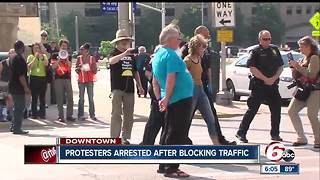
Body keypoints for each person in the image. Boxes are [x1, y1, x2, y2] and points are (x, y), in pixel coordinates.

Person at [181, 25, 236, 145]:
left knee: (211, 116)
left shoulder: (205, 51)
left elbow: (208, 68)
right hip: (191, 90)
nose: (208, 39)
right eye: (205, 36)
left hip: (203, 86)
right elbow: (181, 72)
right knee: (186, 117)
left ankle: (219, 142)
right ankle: (182, 140)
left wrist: (210, 85)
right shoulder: (186, 51)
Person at [152, 25, 193, 178]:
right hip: (179, 98)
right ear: (169, 40)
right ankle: (172, 168)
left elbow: (155, 81)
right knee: (177, 133)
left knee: (168, 131)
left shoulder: (158, 55)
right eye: (178, 38)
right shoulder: (171, 55)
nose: (180, 41)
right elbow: (170, 79)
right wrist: (167, 97)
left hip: (171, 98)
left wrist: (160, 98)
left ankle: (163, 165)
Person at [235, 30, 284, 143]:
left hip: (273, 85)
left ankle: (275, 134)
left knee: (276, 109)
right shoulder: (255, 51)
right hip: (259, 85)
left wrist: (273, 78)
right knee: (252, 110)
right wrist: (265, 79)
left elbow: (280, 66)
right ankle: (241, 132)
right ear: (260, 40)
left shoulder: (274, 49)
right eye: (264, 39)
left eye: (269, 39)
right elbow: (252, 68)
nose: (267, 41)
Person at [108, 29, 144, 145]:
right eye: (123, 42)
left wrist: (140, 86)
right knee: (116, 113)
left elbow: (135, 72)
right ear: (117, 43)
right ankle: (114, 138)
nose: (125, 44)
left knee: (129, 114)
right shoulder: (114, 52)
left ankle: (125, 137)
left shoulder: (132, 56)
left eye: (127, 42)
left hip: (129, 88)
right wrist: (123, 54)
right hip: (117, 88)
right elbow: (111, 61)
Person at [184, 34, 220, 145]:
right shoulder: (187, 60)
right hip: (191, 90)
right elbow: (181, 76)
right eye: (202, 47)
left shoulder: (199, 59)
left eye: (205, 47)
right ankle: (181, 142)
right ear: (196, 47)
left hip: (201, 90)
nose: (204, 49)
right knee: (187, 118)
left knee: (210, 118)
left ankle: (216, 145)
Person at [288, 36, 320, 148]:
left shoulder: (315, 58)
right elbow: (297, 76)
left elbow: (311, 75)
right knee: (291, 111)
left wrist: (298, 66)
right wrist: (293, 68)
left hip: (315, 90)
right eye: (299, 46)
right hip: (302, 90)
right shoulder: (302, 59)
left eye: (301, 46)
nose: (299, 49)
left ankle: (318, 140)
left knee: (312, 115)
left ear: (309, 46)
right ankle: (301, 138)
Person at [141, 45, 165, 145]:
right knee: (154, 122)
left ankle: (162, 144)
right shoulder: (155, 61)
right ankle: (147, 144)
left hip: (162, 95)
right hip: (158, 95)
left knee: (163, 122)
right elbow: (148, 74)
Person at [8, 40, 31, 134]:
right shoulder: (19, 59)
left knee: (16, 107)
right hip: (18, 87)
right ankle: (17, 128)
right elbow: (21, 76)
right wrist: (26, 88)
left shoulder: (12, 57)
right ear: (22, 47)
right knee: (19, 107)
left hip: (13, 85)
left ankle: (14, 126)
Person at [51, 39, 75, 122]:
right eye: (62, 46)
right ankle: (61, 116)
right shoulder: (54, 55)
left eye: (65, 46)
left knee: (70, 98)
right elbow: (53, 67)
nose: (64, 47)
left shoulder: (69, 55)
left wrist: (67, 58)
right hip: (58, 79)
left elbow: (70, 66)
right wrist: (59, 59)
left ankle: (69, 115)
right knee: (59, 98)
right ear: (60, 46)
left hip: (67, 78)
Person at [75, 43, 98, 121]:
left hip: (90, 81)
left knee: (91, 98)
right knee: (81, 98)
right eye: (80, 49)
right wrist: (79, 68)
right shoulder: (79, 58)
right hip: (81, 80)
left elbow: (95, 70)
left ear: (87, 51)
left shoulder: (92, 58)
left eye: (82, 49)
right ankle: (80, 115)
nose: (81, 51)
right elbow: (76, 70)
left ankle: (92, 115)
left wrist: (88, 67)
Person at [27, 43, 49, 119]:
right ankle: (34, 114)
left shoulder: (44, 56)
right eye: (35, 48)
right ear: (32, 50)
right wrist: (35, 58)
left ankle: (42, 114)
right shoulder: (30, 57)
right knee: (34, 97)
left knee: (42, 97)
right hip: (34, 78)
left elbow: (46, 64)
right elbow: (30, 67)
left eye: (37, 48)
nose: (36, 49)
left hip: (42, 78)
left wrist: (41, 57)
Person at [0, 49, 16, 122]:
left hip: (12, 84)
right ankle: (3, 115)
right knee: (5, 98)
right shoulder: (2, 63)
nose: (13, 54)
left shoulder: (16, 63)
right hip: (3, 83)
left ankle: (9, 114)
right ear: (8, 54)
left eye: (14, 53)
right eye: (11, 53)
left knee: (10, 99)